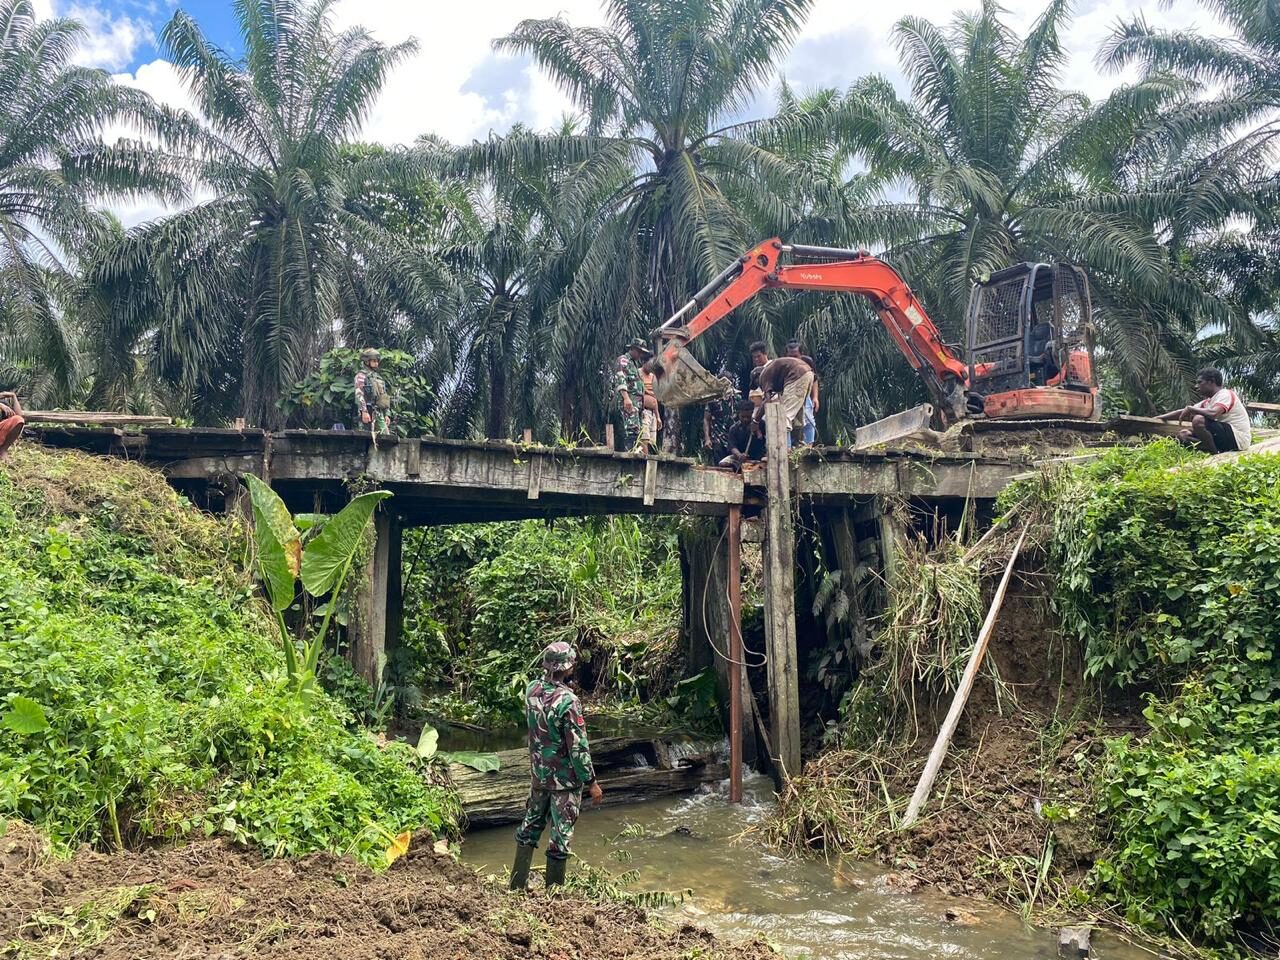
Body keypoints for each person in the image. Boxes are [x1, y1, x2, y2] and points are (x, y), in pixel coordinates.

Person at [509, 642, 603, 890]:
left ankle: (516, 886)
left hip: (539, 776)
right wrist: (592, 782)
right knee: (560, 837)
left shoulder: (531, 690)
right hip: (565, 782)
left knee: (529, 826)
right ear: (569, 667)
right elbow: (578, 748)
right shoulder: (568, 701)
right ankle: (554, 896)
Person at [1158, 368, 1252, 454]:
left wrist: (1191, 408)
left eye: (1200, 382)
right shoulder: (1208, 402)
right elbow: (1181, 412)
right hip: (1223, 437)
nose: (1196, 386)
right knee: (1183, 435)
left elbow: (1214, 414)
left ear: (1211, 381)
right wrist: (1157, 418)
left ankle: (1215, 453)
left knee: (1198, 420)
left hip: (1238, 439)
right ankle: (1215, 451)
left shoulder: (1225, 394)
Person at [753, 356, 815, 447]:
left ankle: (786, 448)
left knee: (784, 416)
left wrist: (755, 421)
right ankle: (799, 444)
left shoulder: (763, 375)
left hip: (796, 375)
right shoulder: (774, 370)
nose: (760, 386)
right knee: (798, 414)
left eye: (757, 384)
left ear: (757, 377)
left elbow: (767, 401)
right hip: (808, 373)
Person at [612, 338, 650, 450]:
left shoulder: (633, 364)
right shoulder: (623, 360)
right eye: (639, 351)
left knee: (638, 431)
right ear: (632, 349)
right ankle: (630, 457)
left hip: (637, 404)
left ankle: (635, 455)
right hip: (630, 402)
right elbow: (620, 378)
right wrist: (626, 398)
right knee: (632, 430)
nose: (640, 355)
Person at [785, 340, 820, 445]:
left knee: (809, 420)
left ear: (801, 354)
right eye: (790, 356)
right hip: (788, 396)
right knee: (787, 421)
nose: (793, 359)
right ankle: (788, 447)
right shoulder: (783, 364)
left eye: (795, 356)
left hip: (804, 395)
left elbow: (814, 379)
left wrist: (815, 397)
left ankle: (809, 445)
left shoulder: (807, 362)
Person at [702, 374, 739, 463]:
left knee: (736, 466)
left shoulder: (737, 398)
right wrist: (707, 438)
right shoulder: (712, 400)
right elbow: (706, 419)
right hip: (718, 438)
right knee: (719, 465)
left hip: (735, 438)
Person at [354, 348, 392, 435]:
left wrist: (386, 414)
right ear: (367, 361)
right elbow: (359, 394)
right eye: (374, 361)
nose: (376, 363)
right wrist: (364, 411)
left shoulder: (378, 378)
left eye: (377, 361)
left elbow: (384, 397)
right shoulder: (361, 376)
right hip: (367, 410)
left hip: (379, 412)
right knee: (365, 437)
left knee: (385, 436)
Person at [718, 399, 766, 468]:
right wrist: (739, 455)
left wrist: (757, 430)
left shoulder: (761, 423)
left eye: (748, 417)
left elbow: (762, 440)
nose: (745, 419)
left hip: (758, 457)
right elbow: (732, 446)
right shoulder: (734, 428)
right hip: (740, 458)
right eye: (743, 417)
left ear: (752, 413)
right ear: (738, 414)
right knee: (723, 464)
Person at [639, 359, 662, 452]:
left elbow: (655, 398)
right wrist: (650, 393)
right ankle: (644, 459)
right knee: (644, 437)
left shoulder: (652, 376)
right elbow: (639, 388)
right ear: (644, 362)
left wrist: (658, 416)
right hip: (643, 410)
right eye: (649, 365)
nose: (650, 368)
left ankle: (650, 460)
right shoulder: (638, 373)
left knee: (652, 440)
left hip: (652, 411)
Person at [0, 391, 24, 459]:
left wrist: (14, 396)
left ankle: (3, 450)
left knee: (18, 419)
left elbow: (19, 417)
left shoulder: (4, 403)